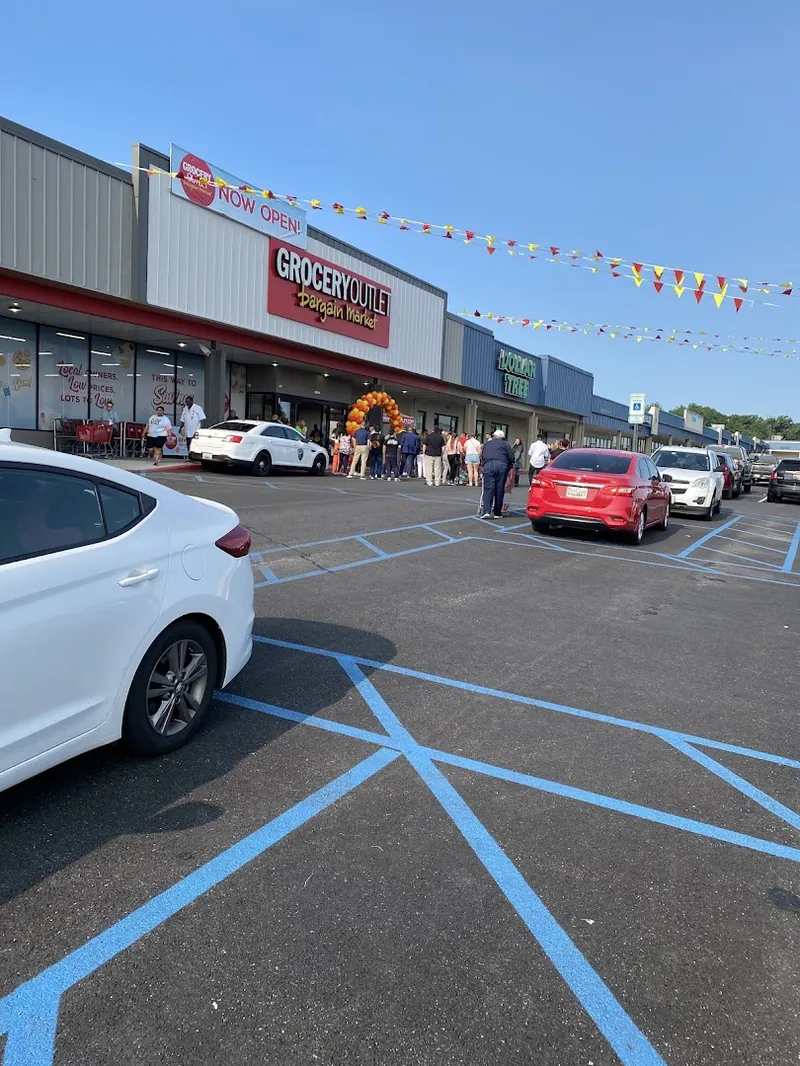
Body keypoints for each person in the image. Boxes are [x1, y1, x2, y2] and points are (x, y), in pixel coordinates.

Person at [479, 429, 514, 519]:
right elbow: (511, 458)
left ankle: (486, 511)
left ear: (494, 436)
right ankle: (497, 512)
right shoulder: (506, 444)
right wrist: (509, 467)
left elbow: (482, 455)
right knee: (499, 489)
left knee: (488, 489)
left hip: (488, 465)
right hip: (501, 465)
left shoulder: (487, 444)